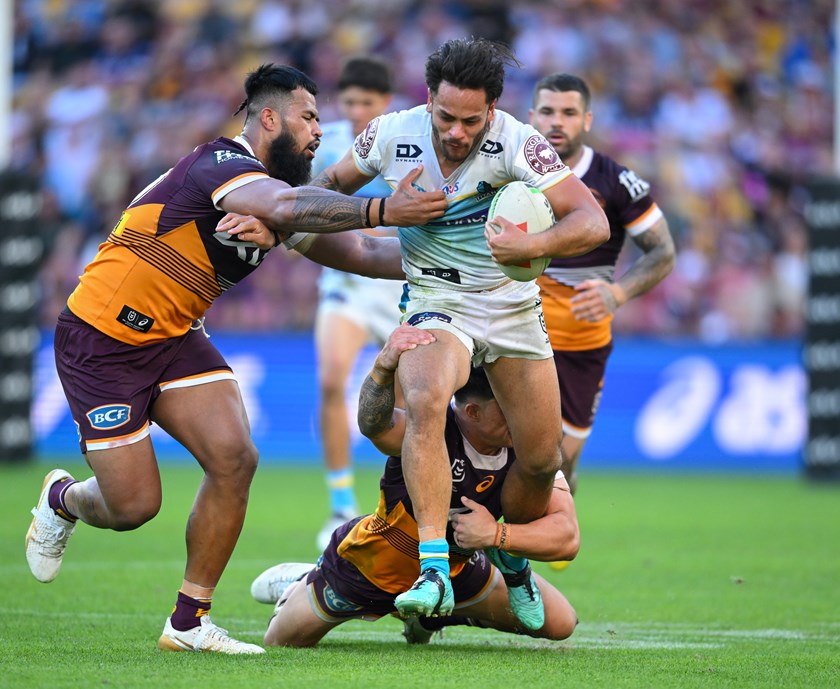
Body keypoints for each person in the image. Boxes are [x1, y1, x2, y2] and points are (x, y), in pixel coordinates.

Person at [24, 63, 446, 655]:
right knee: (133, 506)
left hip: (173, 337)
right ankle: (62, 499)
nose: (318, 131)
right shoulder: (222, 163)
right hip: (103, 338)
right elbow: (293, 205)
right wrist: (382, 210)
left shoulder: (276, 201)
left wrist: (461, 255)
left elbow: (360, 253)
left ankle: (188, 622)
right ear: (268, 118)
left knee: (235, 457)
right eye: (308, 117)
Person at [309, 38, 608, 617]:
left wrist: (534, 245)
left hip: (512, 304)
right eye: (445, 116)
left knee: (541, 459)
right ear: (429, 99)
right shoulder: (389, 134)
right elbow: (319, 195)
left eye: (471, 121)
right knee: (425, 400)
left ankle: (511, 560)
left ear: (492, 109)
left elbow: (591, 221)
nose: (455, 131)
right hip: (436, 297)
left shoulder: (519, 141)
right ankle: (433, 569)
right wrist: (380, 211)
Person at [249, 324, 580, 648]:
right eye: (509, 407)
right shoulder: (428, 428)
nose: (522, 414)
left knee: (561, 622)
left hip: (456, 570)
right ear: (473, 412)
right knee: (281, 640)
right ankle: (304, 578)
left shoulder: (530, 446)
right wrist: (382, 367)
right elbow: (373, 425)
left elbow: (566, 536)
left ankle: (429, 616)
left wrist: (496, 535)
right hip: (371, 566)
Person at [529, 73, 676, 497]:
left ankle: (558, 515)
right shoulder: (508, 171)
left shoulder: (616, 181)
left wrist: (618, 293)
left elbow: (663, 251)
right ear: (532, 116)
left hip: (581, 341)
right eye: (548, 111)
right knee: (504, 449)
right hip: (516, 331)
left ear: (587, 120)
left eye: (569, 113)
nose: (557, 122)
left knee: (558, 466)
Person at [310, 56, 407, 550]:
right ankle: (340, 504)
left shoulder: (407, 142)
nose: (356, 111)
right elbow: (304, 204)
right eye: (348, 102)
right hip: (345, 284)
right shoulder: (324, 146)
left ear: (384, 102)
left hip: (398, 284)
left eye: (366, 102)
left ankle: (403, 505)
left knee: (408, 403)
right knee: (331, 381)